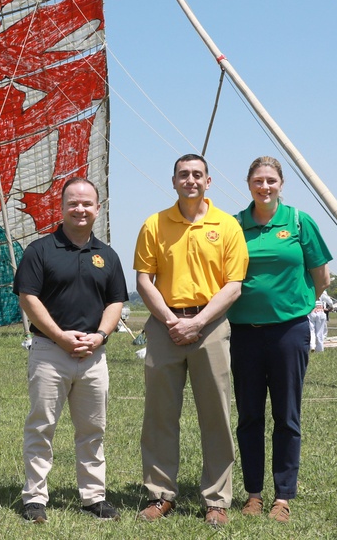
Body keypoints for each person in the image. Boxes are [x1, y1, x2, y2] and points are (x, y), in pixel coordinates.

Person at [133, 154, 249, 527]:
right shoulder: (155, 224)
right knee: (160, 415)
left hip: (210, 327)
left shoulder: (227, 225)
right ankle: (160, 494)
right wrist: (171, 320)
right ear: (173, 181)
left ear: (208, 181)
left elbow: (233, 285)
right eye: (184, 175)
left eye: (197, 174)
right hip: (164, 326)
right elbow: (143, 281)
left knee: (215, 414)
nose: (190, 180)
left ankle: (216, 499)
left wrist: (198, 321)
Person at [16, 177, 128, 524]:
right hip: (50, 351)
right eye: (73, 203)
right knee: (41, 426)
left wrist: (101, 336)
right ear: (61, 207)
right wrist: (61, 336)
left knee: (93, 430)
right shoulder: (40, 250)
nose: (80, 209)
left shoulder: (107, 255)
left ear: (98, 208)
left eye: (86, 203)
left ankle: (93, 497)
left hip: (93, 356)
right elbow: (28, 298)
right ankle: (35, 498)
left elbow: (115, 302)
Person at [228, 156, 331, 524]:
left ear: (281, 183)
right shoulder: (234, 225)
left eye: (271, 180)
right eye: (258, 180)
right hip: (244, 333)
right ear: (249, 183)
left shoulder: (301, 222)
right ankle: (253, 494)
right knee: (249, 415)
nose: (265, 186)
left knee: (287, 415)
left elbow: (321, 277)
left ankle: (283, 496)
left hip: (289, 332)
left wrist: (295, 303)